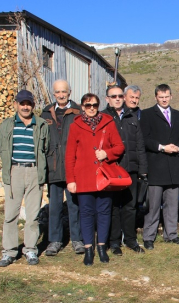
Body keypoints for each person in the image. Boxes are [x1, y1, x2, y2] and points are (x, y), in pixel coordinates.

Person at [65, 93, 125, 266]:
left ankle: (101, 247)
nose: (91, 108)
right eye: (87, 105)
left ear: (98, 106)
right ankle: (88, 249)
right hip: (83, 177)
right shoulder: (75, 125)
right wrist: (71, 180)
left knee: (104, 212)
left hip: (104, 177)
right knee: (86, 213)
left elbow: (120, 146)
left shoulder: (108, 122)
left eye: (94, 105)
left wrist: (107, 153)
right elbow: (70, 156)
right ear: (82, 107)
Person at [0, 90, 49, 267]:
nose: (25, 106)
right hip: (14, 171)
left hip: (34, 171)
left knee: (33, 215)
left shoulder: (41, 125)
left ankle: (30, 249)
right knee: (10, 215)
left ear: (33, 105)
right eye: (22, 103)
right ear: (16, 105)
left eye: (28, 103)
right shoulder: (6, 125)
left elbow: (46, 148)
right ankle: (9, 252)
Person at [141, 84, 179, 250]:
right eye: (161, 97)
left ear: (171, 96)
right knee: (153, 206)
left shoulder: (177, 115)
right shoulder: (147, 115)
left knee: (172, 205)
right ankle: (148, 237)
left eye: (166, 96)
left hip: (173, 167)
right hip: (156, 166)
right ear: (156, 97)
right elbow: (145, 139)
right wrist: (162, 147)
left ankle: (171, 235)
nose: (164, 99)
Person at [41, 79, 85, 256]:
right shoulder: (46, 113)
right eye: (58, 92)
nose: (61, 95)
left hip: (72, 168)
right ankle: (55, 240)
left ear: (69, 92)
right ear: (54, 94)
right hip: (53, 167)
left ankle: (77, 239)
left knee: (75, 205)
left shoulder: (78, 112)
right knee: (55, 207)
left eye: (64, 92)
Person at [102, 85, 147, 255]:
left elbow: (140, 145)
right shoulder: (104, 117)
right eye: (113, 96)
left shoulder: (132, 117)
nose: (117, 98)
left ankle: (130, 239)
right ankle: (114, 242)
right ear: (108, 99)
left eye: (120, 95)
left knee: (130, 206)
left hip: (131, 169)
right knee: (113, 207)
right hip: (112, 170)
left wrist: (143, 169)